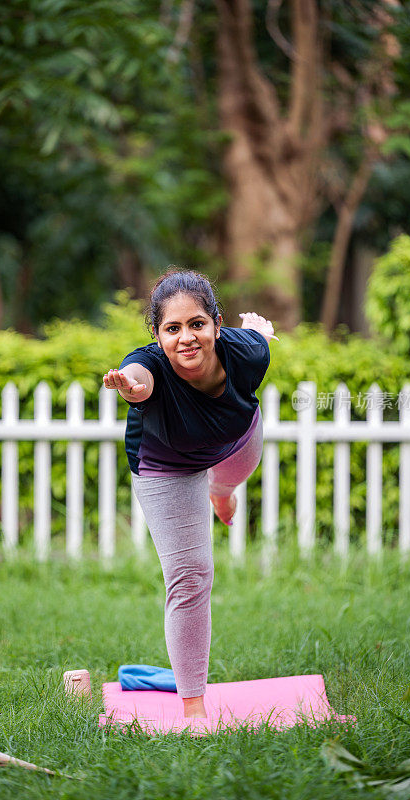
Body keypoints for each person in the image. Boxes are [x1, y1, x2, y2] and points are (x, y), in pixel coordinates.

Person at [103, 270, 278, 719]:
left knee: (228, 479)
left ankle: (221, 493)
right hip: (167, 466)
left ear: (217, 325)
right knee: (191, 575)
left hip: (235, 444)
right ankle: (194, 710)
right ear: (157, 335)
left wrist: (259, 330)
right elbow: (139, 378)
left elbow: (257, 336)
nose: (187, 338)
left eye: (197, 324)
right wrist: (131, 385)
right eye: (172, 328)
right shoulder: (148, 365)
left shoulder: (247, 354)